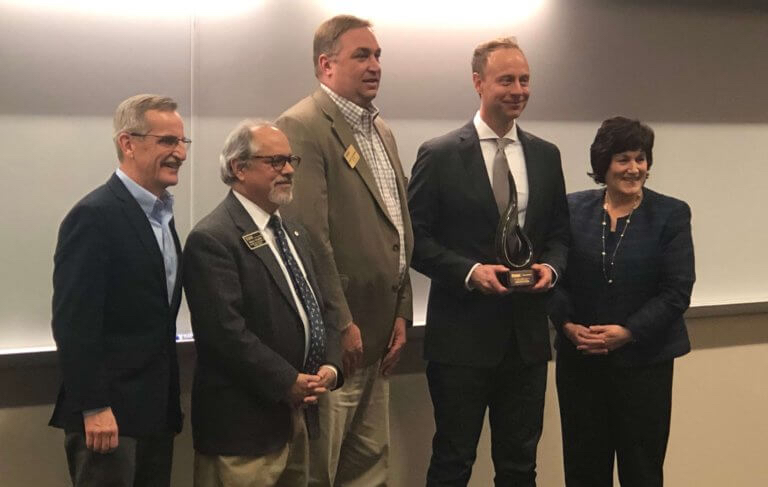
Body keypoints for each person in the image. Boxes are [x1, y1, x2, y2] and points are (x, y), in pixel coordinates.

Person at [407, 37, 569, 486]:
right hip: (461, 340)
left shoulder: (545, 154)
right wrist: (469, 272)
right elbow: (414, 240)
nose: (518, 89)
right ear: (478, 83)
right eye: (506, 80)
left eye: (524, 79)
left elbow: (559, 235)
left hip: (527, 339)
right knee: (453, 461)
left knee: (520, 465)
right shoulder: (438, 155)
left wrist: (551, 270)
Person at [275, 14, 413, 486]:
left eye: (377, 56)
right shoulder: (302, 126)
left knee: (370, 469)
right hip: (338, 344)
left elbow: (397, 230)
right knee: (320, 471)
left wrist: (403, 312)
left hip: (379, 338)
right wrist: (341, 321)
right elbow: (309, 238)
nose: (375, 65)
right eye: (361, 55)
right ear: (325, 65)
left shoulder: (381, 131)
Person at [183, 120, 343, 487]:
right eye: (275, 161)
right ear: (239, 168)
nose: (288, 170)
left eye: (290, 160)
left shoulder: (292, 231)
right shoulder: (213, 238)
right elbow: (225, 333)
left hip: (298, 419)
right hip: (244, 430)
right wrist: (288, 381)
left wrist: (331, 366)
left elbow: (323, 308)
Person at [548, 116, 695, 486]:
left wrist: (627, 332)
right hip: (580, 363)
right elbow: (552, 277)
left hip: (644, 365)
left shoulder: (671, 214)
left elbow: (677, 290)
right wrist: (566, 325)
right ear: (603, 165)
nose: (634, 169)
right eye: (623, 159)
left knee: (642, 470)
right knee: (584, 470)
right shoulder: (570, 209)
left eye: (640, 158)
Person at [49, 94, 187, 486]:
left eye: (182, 142)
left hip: (155, 414)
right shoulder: (94, 216)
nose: (179, 153)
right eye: (167, 142)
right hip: (108, 419)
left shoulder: (162, 217)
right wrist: (94, 406)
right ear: (128, 143)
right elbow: (75, 322)